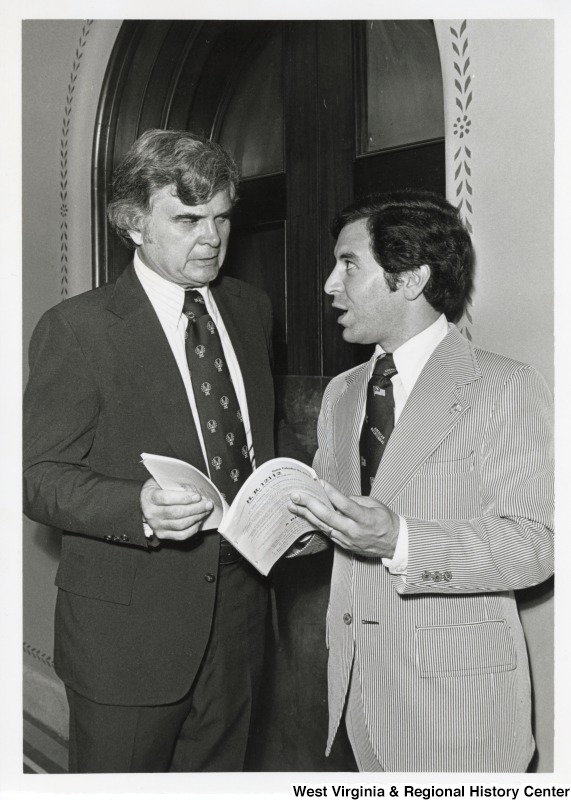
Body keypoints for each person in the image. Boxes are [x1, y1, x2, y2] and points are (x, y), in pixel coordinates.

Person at [23, 129, 295, 773]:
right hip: (128, 634)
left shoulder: (250, 309)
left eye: (223, 217)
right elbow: (37, 478)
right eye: (188, 218)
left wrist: (292, 508)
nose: (212, 237)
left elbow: (258, 440)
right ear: (133, 224)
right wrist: (138, 508)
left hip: (240, 611)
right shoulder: (77, 329)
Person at [288, 189, 554, 773]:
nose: (331, 284)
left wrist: (403, 542)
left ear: (410, 279)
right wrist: (281, 521)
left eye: (349, 264)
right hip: (357, 693)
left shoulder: (503, 386)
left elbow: (539, 544)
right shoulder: (342, 393)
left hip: (460, 709)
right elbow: (340, 525)